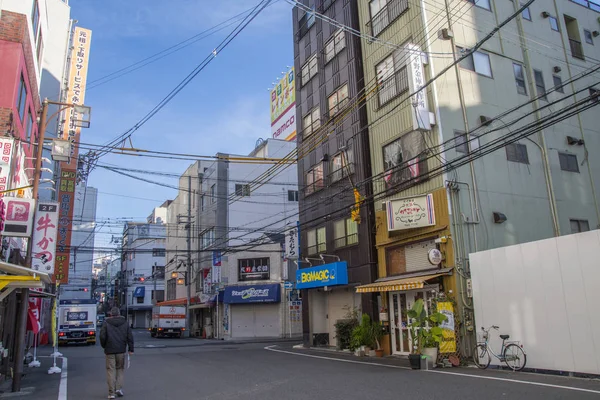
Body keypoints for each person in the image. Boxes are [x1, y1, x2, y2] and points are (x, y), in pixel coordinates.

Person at [100, 307, 134, 399]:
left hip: (109, 350)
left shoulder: (106, 323)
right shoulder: (125, 323)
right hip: (121, 350)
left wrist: (104, 346)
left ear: (111, 314)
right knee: (120, 369)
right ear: (119, 314)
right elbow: (130, 336)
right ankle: (118, 388)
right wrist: (131, 349)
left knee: (110, 370)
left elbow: (102, 336)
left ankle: (111, 393)